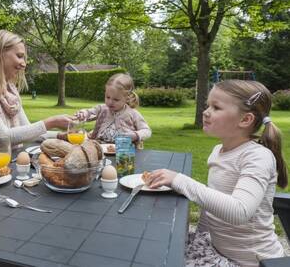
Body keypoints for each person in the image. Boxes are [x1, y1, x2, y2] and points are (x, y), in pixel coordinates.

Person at [147, 80, 288, 267]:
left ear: (245, 120)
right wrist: (199, 237)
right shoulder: (218, 150)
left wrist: (180, 181)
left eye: (216, 107)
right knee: (157, 247)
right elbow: (210, 209)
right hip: (215, 249)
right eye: (207, 105)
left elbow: (240, 211)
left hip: (250, 262)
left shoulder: (257, 157)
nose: (206, 112)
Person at [0, 30, 72, 147]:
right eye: (19, 56)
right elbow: (2, 136)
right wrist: (52, 122)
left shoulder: (9, 91)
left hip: (8, 160)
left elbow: (27, 131)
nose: (24, 64)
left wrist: (60, 135)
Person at [74, 73, 151, 145]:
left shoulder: (133, 113)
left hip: (124, 152)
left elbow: (147, 131)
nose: (110, 102)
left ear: (127, 98)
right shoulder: (102, 109)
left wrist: (135, 135)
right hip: (100, 148)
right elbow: (89, 113)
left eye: (116, 99)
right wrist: (83, 114)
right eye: (108, 97)